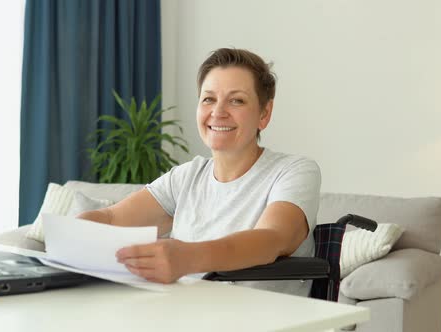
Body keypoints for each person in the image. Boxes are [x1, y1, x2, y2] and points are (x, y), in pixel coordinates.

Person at [78, 48, 321, 297]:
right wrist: (74, 231)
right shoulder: (186, 177)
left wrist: (188, 258)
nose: (218, 112)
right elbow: (111, 219)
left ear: (264, 114)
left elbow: (272, 239)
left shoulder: (294, 171)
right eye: (208, 99)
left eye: (236, 100)